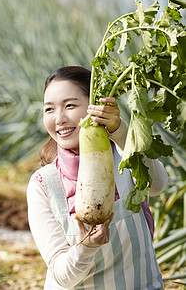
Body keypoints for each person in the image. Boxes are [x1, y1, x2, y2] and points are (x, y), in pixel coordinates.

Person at [26, 66, 168, 289]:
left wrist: (120, 130)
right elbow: (62, 276)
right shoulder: (43, 184)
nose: (59, 119)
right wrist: (86, 248)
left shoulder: (125, 153)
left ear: (95, 106)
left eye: (70, 105)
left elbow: (157, 185)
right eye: (49, 109)